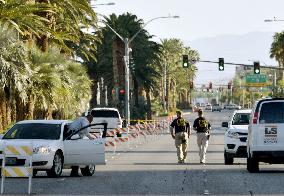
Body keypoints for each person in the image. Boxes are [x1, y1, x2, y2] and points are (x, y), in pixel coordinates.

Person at [68, 112, 94, 177]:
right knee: (76, 154)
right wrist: (90, 137)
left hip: (71, 136)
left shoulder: (81, 119)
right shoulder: (85, 120)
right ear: (89, 118)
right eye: (91, 121)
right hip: (72, 136)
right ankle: (74, 172)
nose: (90, 122)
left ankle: (74, 172)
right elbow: (85, 129)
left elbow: (81, 131)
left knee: (75, 154)